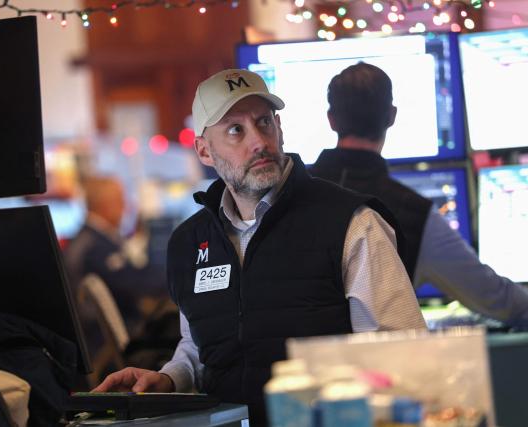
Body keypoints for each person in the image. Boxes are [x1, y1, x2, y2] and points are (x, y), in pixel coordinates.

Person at [93, 68, 426, 424]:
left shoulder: (351, 222)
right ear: (205, 150)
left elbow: (399, 352)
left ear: (279, 128)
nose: (259, 141)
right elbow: (199, 345)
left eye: (264, 122)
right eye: (236, 130)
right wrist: (169, 377)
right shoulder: (189, 244)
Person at [310, 61, 528, 329]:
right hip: (376, 367)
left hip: (291, 367)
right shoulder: (414, 214)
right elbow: (491, 295)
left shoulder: (283, 195)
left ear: (331, 120)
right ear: (391, 116)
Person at [64, 176, 169, 349]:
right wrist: (178, 276)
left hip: (105, 336)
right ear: (106, 204)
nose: (126, 207)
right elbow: (133, 283)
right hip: (105, 342)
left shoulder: (93, 239)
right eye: (121, 200)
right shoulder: (95, 247)